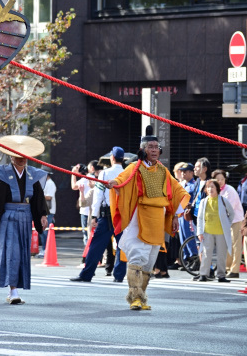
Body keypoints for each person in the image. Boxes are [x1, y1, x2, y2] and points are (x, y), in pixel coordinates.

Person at [107, 129, 189, 310]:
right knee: (137, 256)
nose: (154, 150)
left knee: (150, 260)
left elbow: (176, 192)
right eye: (150, 147)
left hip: (158, 218)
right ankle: (134, 296)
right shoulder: (134, 167)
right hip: (139, 217)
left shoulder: (164, 171)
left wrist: (176, 214)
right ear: (142, 149)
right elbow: (122, 179)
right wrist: (115, 184)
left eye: (156, 147)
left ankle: (142, 297)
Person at [0, 135, 49, 305]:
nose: (21, 158)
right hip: (7, 216)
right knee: (11, 252)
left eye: (24, 155)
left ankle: (16, 288)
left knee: (22, 253)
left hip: (25, 217)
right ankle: (13, 290)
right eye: (17, 155)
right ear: (11, 156)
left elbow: (38, 199)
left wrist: (42, 215)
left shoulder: (33, 174)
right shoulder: (1, 174)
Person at [70, 146, 127, 283]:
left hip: (107, 214)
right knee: (122, 245)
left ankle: (87, 274)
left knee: (97, 245)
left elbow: (98, 196)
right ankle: (119, 275)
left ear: (112, 158)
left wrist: (94, 216)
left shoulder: (105, 173)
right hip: (124, 213)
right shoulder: (127, 173)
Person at [195, 179, 234, 282]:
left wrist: (227, 224)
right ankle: (203, 274)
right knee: (206, 254)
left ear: (217, 188)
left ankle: (221, 275)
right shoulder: (204, 202)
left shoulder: (223, 200)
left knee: (221, 254)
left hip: (221, 232)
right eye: (208, 187)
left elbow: (232, 214)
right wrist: (199, 232)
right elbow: (199, 218)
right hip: (207, 231)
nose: (210, 189)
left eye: (212, 187)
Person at [211, 169, 245, 279]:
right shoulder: (217, 190)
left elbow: (229, 208)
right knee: (227, 246)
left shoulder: (229, 190)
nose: (220, 181)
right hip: (225, 221)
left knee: (236, 246)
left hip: (235, 220)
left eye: (222, 179)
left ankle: (234, 270)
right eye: (217, 179)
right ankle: (227, 268)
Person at [70, 163, 93, 250]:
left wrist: (73, 174)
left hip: (85, 210)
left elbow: (73, 186)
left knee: (86, 235)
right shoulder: (93, 178)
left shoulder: (83, 180)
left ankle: (87, 255)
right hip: (93, 211)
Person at [38, 171, 57, 259]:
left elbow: (49, 197)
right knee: (42, 231)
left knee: (45, 231)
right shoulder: (44, 183)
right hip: (44, 210)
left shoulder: (50, 184)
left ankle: (45, 249)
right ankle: (44, 249)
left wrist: (38, 195)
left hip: (49, 211)